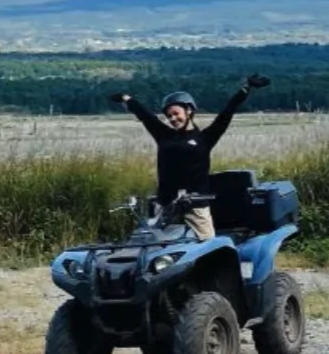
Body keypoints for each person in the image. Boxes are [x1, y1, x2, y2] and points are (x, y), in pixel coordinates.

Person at [110, 75, 270, 240]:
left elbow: (226, 113)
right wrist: (126, 99)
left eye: (176, 113)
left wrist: (245, 89)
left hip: (196, 205)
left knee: (209, 248)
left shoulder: (205, 138)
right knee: (155, 247)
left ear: (189, 110)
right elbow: (146, 116)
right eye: (169, 116)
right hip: (166, 204)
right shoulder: (163, 135)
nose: (172, 119)